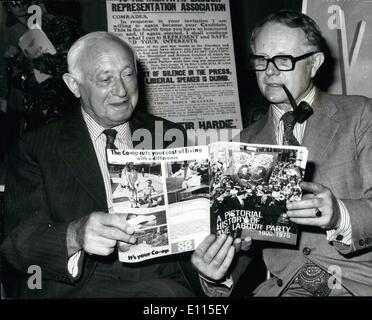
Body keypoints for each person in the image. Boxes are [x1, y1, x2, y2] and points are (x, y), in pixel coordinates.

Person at [1, 31, 195, 298]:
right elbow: (16, 244)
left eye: (128, 75)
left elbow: (190, 224)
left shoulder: (168, 135)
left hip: (163, 278)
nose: (121, 90)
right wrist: (75, 234)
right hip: (80, 286)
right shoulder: (37, 147)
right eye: (105, 79)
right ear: (73, 85)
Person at [192, 10, 372, 297]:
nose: (270, 71)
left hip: (357, 285)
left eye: (284, 60)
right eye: (261, 60)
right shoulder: (242, 143)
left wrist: (340, 215)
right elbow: (243, 255)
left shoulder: (361, 114)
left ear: (314, 63)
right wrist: (217, 275)